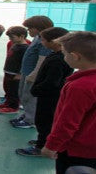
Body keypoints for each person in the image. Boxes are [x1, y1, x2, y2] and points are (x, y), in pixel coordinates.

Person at [41, 31, 96, 174]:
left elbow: (68, 122)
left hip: (76, 150)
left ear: (75, 57)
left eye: (65, 54)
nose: (64, 56)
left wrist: (51, 146)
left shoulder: (80, 86)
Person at [16, 27, 73, 156]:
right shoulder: (57, 55)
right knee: (44, 121)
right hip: (49, 95)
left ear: (54, 42)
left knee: (44, 121)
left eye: (44, 40)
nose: (42, 43)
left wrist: (36, 89)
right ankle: (43, 140)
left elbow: (52, 82)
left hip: (49, 96)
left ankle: (41, 147)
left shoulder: (58, 60)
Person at [11, 16, 54, 129]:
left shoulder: (43, 41)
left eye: (30, 28)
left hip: (32, 74)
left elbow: (42, 59)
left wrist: (34, 75)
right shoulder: (37, 37)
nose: (28, 30)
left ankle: (31, 120)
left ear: (39, 28)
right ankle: (27, 115)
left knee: (30, 97)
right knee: (23, 95)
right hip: (26, 72)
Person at [0, 26, 29, 114]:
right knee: (8, 89)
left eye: (12, 37)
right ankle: (7, 103)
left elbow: (25, 62)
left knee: (14, 91)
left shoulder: (25, 48)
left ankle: (13, 107)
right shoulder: (14, 44)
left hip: (16, 74)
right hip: (9, 72)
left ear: (22, 36)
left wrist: (20, 74)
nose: (10, 39)